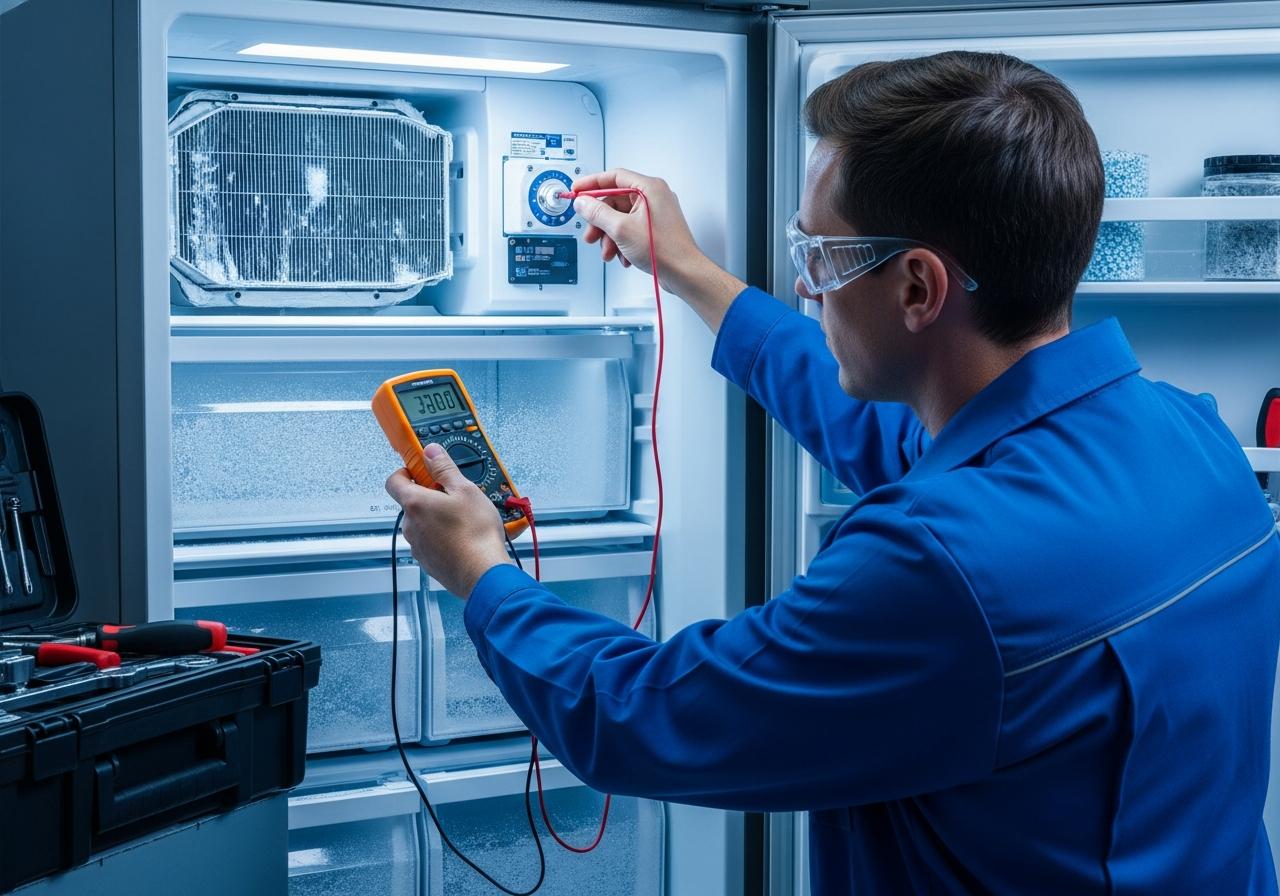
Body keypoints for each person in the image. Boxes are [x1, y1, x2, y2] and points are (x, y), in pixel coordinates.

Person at [385, 50, 1280, 893]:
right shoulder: (1185, 438)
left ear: (920, 289)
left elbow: (644, 718)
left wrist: (482, 574)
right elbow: (901, 439)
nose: (807, 288)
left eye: (819, 256)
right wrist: (693, 274)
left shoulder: (938, 567)